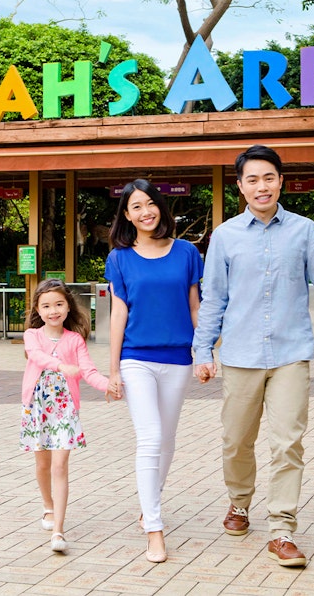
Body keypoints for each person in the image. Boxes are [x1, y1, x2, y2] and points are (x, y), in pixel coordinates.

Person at [193, 144, 314, 567]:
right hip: (239, 355)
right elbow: (214, 297)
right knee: (236, 441)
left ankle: (282, 528)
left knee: (287, 443)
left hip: (291, 354)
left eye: (268, 177)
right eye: (252, 179)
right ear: (240, 186)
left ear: (281, 181)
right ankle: (239, 503)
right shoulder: (226, 236)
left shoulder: (304, 230)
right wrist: (203, 349)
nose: (261, 186)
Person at [105, 179, 204, 564]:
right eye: (135, 207)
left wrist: (205, 351)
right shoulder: (120, 258)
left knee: (167, 440)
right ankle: (155, 529)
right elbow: (118, 313)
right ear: (126, 215)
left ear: (161, 207)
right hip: (136, 359)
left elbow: (195, 306)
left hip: (178, 358)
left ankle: (149, 506)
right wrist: (113, 370)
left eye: (150, 204)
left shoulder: (186, 253)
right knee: (150, 438)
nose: (145, 212)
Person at [19, 278, 115, 553]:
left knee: (60, 466)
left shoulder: (75, 340)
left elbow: (88, 371)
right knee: (43, 466)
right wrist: (62, 366)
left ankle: (59, 531)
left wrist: (107, 385)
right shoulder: (31, 336)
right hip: (37, 409)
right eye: (46, 305)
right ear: (38, 309)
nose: (53, 310)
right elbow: (37, 357)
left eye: (59, 304)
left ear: (68, 307)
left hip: (65, 410)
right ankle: (47, 506)